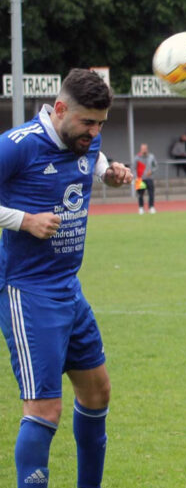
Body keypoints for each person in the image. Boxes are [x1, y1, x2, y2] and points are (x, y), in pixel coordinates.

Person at [0, 68, 133, 488]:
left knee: (97, 393)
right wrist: (24, 220)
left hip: (68, 290)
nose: (94, 132)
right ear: (59, 109)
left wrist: (110, 172)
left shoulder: (84, 142)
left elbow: (91, 159)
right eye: (87, 122)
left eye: (101, 124)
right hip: (27, 291)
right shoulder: (18, 147)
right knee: (44, 410)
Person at [134, 143, 158, 214]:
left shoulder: (151, 157)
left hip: (149, 178)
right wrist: (136, 177)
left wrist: (152, 171)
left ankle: (151, 207)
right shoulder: (137, 158)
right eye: (143, 149)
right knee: (140, 194)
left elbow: (155, 166)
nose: (144, 150)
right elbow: (133, 168)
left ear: (147, 149)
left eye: (145, 148)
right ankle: (141, 208)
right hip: (139, 179)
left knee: (151, 193)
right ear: (140, 149)